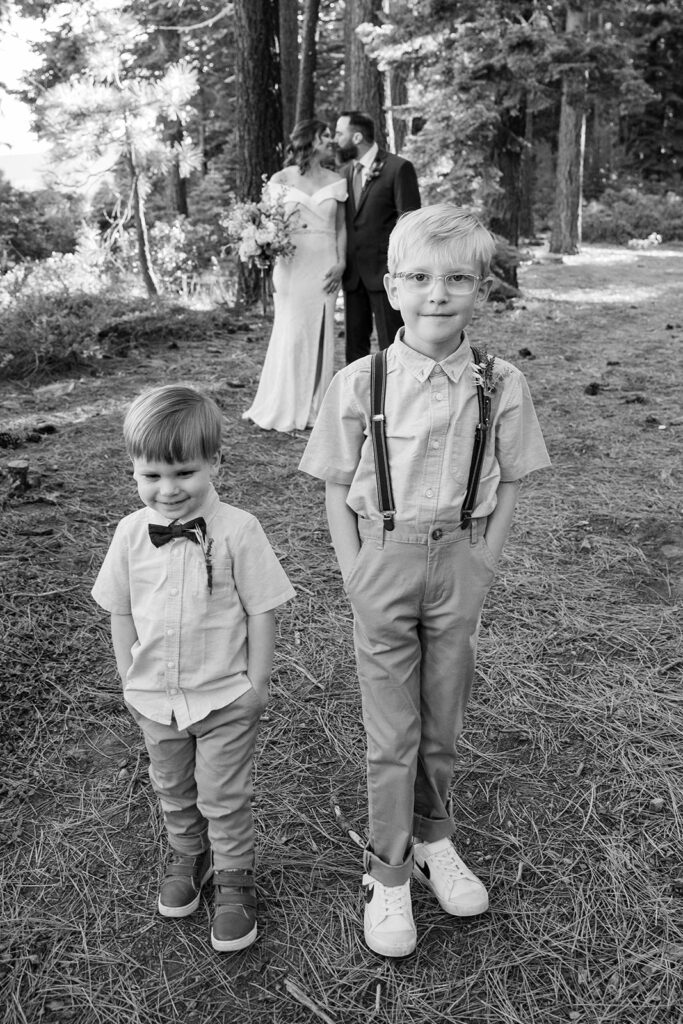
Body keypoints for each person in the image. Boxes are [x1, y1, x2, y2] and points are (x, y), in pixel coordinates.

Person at [299, 205, 551, 957]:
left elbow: (508, 482)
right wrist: (353, 571)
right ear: (391, 286)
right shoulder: (357, 381)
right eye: (419, 278)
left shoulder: (501, 382)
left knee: (441, 717)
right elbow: (333, 484)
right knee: (392, 732)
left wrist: (484, 562)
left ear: (479, 289)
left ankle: (434, 838)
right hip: (382, 557)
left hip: (459, 563)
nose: (436, 293)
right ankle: (387, 872)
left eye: (456, 279)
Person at [92, 384, 295, 952]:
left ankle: (234, 880)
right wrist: (128, 680)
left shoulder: (239, 530)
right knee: (173, 787)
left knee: (224, 794)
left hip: (224, 696)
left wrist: (257, 684)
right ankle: (190, 856)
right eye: (151, 475)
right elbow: (120, 609)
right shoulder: (131, 534)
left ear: (215, 462)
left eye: (183, 472)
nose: (168, 489)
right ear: (134, 472)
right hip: (155, 697)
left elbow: (261, 610)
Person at [243, 118, 347, 432]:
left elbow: (341, 227)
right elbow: (264, 224)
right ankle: (285, 402)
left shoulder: (336, 179)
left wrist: (342, 263)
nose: (331, 140)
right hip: (291, 264)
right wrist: (262, 245)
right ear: (311, 140)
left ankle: (315, 405)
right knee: (292, 333)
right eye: (325, 135)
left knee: (320, 332)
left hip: (325, 263)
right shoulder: (280, 178)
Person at [334, 110, 420, 363]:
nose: (335, 139)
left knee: (392, 342)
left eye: (340, 133)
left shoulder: (398, 168)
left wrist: (399, 270)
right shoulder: (344, 173)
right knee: (354, 348)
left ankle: (397, 396)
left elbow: (410, 223)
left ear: (357, 136)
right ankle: (357, 396)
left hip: (385, 272)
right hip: (353, 274)